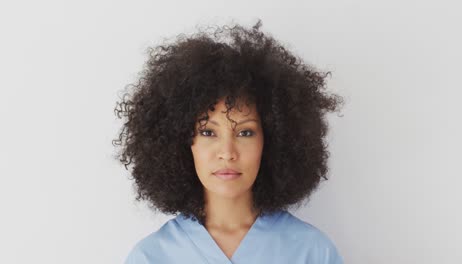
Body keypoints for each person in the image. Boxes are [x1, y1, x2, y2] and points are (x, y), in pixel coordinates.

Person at [113, 19, 345, 264]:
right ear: (181, 141)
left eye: (245, 133)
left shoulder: (313, 252)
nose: (227, 152)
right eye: (208, 133)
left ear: (272, 141)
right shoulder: (151, 257)